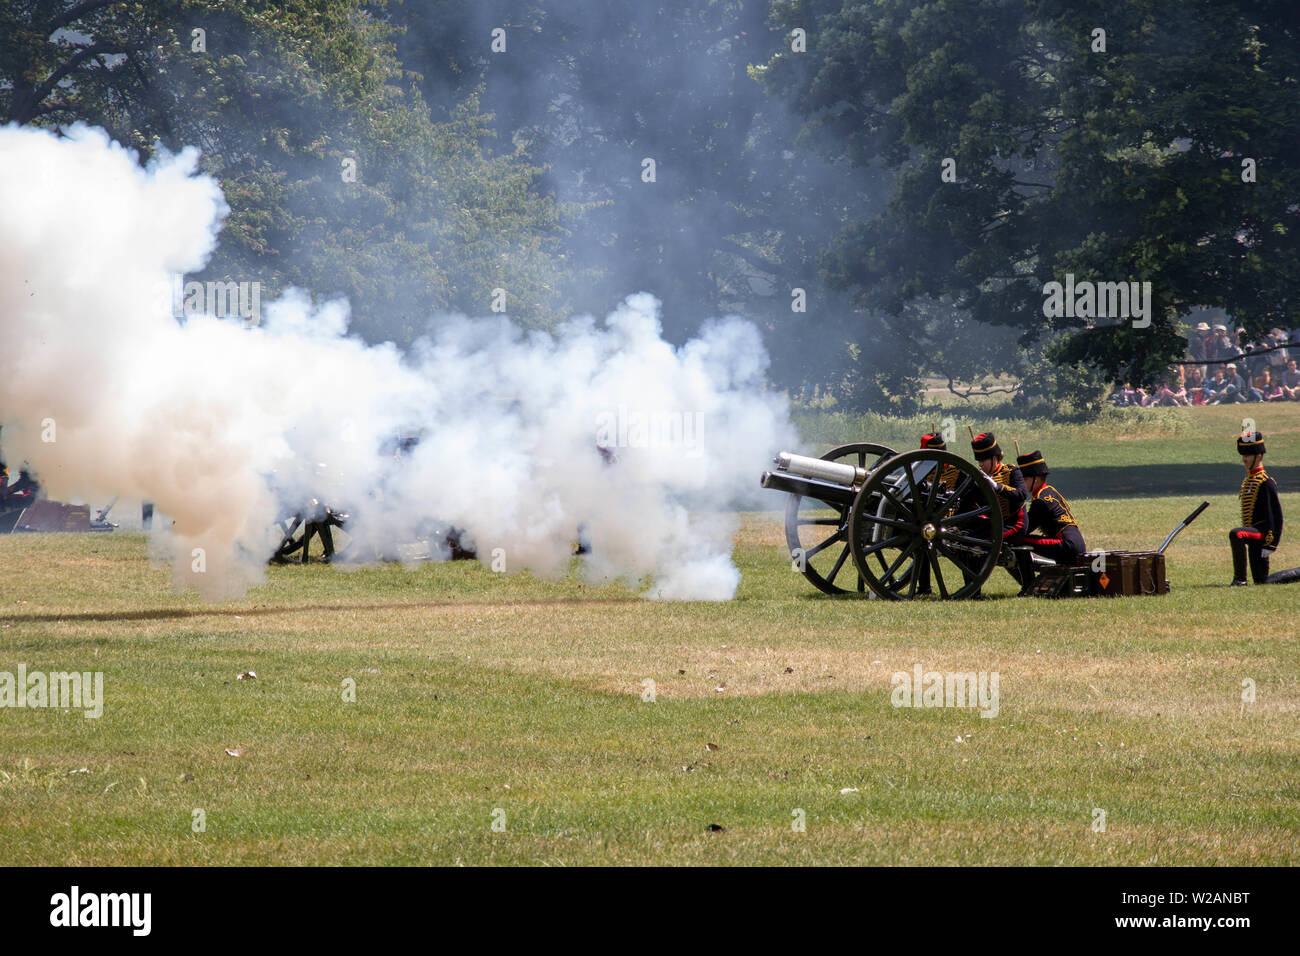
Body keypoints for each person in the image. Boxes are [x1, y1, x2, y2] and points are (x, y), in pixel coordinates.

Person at [1011, 449, 1087, 568]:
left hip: (1066, 545)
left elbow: (1024, 528)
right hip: (1076, 545)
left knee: (1019, 540)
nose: (1022, 484)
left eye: (1025, 480)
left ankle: (1027, 584)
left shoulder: (1040, 501)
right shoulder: (1049, 491)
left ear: (1036, 479)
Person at [1228, 431, 1283, 586]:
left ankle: (1240, 579)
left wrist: (1271, 544)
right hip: (1253, 533)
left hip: (1262, 535)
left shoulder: (1265, 482)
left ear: (1258, 456)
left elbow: (1276, 516)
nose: (1244, 459)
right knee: (1262, 581)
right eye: (1244, 455)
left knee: (1237, 534)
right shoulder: (1249, 481)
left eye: (1248, 455)